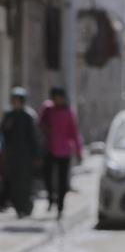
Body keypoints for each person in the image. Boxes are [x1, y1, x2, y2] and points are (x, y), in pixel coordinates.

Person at [38, 87, 83, 219]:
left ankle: (60, 206)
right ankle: (51, 198)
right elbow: (40, 123)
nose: (58, 99)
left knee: (62, 180)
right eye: (55, 97)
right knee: (47, 176)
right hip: (49, 148)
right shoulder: (48, 109)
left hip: (64, 150)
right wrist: (47, 129)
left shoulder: (68, 112)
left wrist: (79, 151)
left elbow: (74, 133)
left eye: (60, 97)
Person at [1, 87, 40, 218]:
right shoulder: (9, 116)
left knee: (25, 183)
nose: (16, 103)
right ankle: (18, 208)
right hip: (12, 156)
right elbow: (4, 134)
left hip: (26, 156)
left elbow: (34, 137)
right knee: (13, 183)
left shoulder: (28, 116)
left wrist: (36, 156)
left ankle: (27, 207)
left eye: (19, 100)